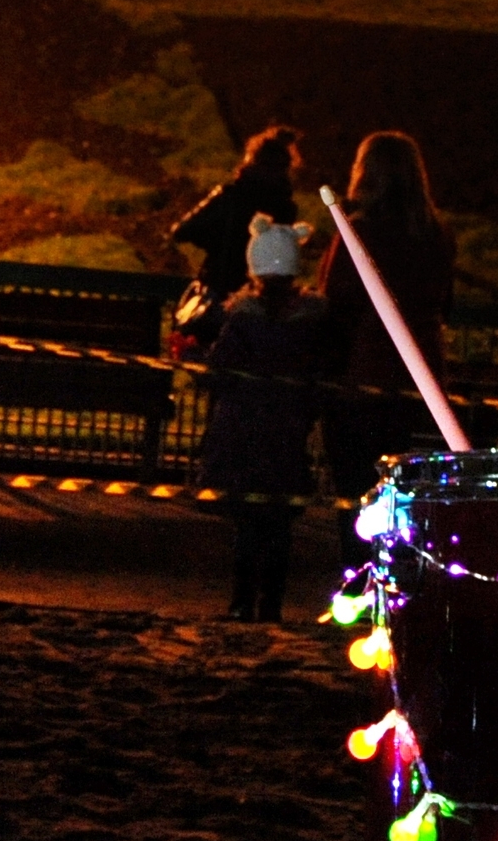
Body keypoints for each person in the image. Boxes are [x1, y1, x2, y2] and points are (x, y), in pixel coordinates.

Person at [197, 213, 332, 621]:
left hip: (241, 432)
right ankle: (271, 603)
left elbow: (221, 369)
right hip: (287, 435)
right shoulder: (311, 323)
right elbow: (317, 376)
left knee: (246, 523)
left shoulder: (241, 318)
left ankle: (241, 602)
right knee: (279, 526)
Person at [314, 129, 456, 494]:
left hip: (364, 376)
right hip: (422, 377)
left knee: (356, 488)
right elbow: (443, 302)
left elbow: (338, 305)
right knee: (408, 491)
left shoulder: (358, 232)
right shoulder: (437, 235)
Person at [169, 124, 299, 306]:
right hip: (267, 297)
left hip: (220, 290)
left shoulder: (230, 197)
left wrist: (214, 241)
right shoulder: (285, 208)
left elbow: (182, 231)